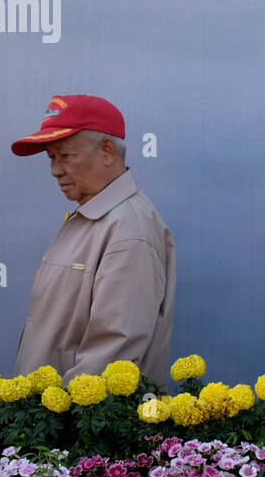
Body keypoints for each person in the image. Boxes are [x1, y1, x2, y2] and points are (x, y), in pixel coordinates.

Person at [10, 94, 175, 385]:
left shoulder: (128, 229)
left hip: (78, 427)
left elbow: (111, 359)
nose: (55, 170)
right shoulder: (97, 218)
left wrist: (49, 425)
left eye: (65, 156)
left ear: (108, 151)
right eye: (51, 158)